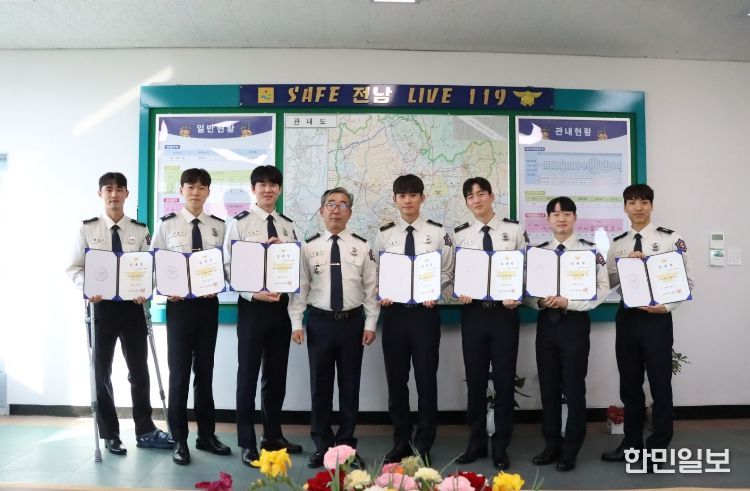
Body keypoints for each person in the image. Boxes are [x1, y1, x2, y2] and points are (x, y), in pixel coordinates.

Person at [67, 172, 173, 455]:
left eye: (119, 190)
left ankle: (145, 430)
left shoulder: (139, 229)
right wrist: (88, 287)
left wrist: (145, 289)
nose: (114, 195)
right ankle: (110, 434)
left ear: (127, 194)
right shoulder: (87, 229)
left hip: (131, 307)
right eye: (108, 190)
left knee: (139, 370)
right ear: (100, 194)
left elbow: (150, 267)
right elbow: (74, 268)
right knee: (101, 370)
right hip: (101, 307)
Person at [601, 184, 694, 466]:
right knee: (629, 385)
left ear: (651, 205)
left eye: (643, 202)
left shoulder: (670, 239)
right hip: (628, 318)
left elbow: (686, 281)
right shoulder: (618, 244)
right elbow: (607, 282)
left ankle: (657, 449)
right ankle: (631, 445)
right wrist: (624, 265)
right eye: (632, 202)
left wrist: (666, 307)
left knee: (660, 384)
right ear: (625, 207)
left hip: (657, 319)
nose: (638, 207)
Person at [288, 187, 379, 470]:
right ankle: (322, 446)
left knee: (350, 387)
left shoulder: (362, 246)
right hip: (320, 323)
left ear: (350, 212)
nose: (336, 210)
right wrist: (296, 322)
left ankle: (346, 446)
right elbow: (300, 287)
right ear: (321, 210)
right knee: (320, 388)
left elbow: (371, 289)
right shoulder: (309, 247)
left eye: (342, 205)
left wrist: (371, 323)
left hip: (352, 323)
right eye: (331, 204)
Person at [223, 165, 302, 467]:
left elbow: (295, 267)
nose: (268, 190)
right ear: (253, 188)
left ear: (279, 189)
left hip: (280, 309)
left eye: (273, 185)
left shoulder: (287, 226)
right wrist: (252, 293)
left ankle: (273, 436)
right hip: (253, 308)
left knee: (276, 376)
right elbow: (228, 266)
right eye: (262, 185)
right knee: (248, 375)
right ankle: (247, 442)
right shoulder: (239, 224)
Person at [524, 196, 609, 472]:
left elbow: (601, 290)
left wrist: (569, 302)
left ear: (575, 218)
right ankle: (551, 444)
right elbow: (525, 290)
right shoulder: (537, 253)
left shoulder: (590, 251)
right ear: (547, 219)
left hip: (574, 324)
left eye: (567, 214)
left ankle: (571, 448)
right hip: (547, 325)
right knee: (548, 387)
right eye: (556, 214)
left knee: (574, 388)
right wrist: (539, 301)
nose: (561, 219)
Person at [374, 174, 454, 465]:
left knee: (425, 380)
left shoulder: (438, 233)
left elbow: (447, 271)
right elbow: (378, 271)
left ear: (422, 198)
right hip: (394, 315)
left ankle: (423, 443)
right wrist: (382, 291)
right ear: (395, 200)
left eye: (412, 195)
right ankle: (401, 441)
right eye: (402, 196)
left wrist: (434, 291)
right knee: (396, 381)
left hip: (425, 314)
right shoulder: (385, 234)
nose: (407, 200)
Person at [150, 168, 228, 466]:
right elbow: (153, 264)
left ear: (208, 191)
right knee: (179, 374)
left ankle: (206, 435)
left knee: (205, 373)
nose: (196, 192)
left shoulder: (219, 227)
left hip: (208, 306)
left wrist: (219, 283)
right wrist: (164, 290)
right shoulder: (167, 225)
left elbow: (228, 265)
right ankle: (179, 439)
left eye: (201, 187)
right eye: (190, 187)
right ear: (181, 190)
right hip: (179, 308)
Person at [452, 177, 528, 470]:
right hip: (473, 314)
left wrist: (517, 294)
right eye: (470, 196)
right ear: (466, 202)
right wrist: (458, 290)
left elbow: (526, 269)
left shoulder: (514, 230)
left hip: (504, 314)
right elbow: (450, 273)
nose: (476, 200)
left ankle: (501, 445)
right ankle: (476, 442)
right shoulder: (460, 235)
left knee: (505, 380)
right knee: (475, 381)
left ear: (492, 196)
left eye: (481, 193)